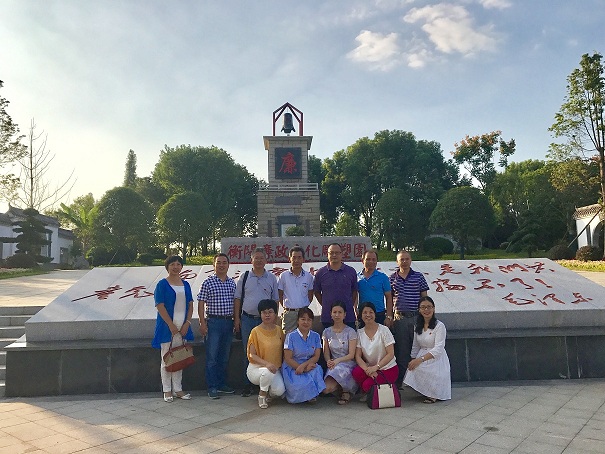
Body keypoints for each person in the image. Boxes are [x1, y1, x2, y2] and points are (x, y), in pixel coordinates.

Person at [234, 248, 279, 397]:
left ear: (266, 260)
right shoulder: (245, 276)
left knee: (267, 351)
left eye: (261, 258)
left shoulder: (271, 278)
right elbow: (237, 298)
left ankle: (265, 384)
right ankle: (248, 384)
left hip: (265, 321)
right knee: (248, 353)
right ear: (251, 260)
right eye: (256, 258)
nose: (259, 261)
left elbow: (275, 301)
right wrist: (237, 319)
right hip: (247, 319)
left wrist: (274, 319)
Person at [152, 255, 194, 402]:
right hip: (167, 327)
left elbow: (190, 305)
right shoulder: (162, 284)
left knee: (179, 358)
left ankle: (178, 389)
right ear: (167, 267)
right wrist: (171, 325)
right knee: (167, 358)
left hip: (183, 327)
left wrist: (187, 323)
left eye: (178, 264)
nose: (175, 267)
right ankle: (167, 390)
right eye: (172, 264)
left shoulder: (186, 284)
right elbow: (160, 305)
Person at [197, 253, 236, 399]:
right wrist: (202, 322)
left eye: (224, 262)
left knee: (224, 356)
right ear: (213, 265)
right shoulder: (208, 282)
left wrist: (235, 320)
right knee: (212, 357)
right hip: (213, 323)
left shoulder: (232, 283)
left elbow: (235, 303)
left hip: (228, 322)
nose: (221, 265)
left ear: (228, 265)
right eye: (218, 262)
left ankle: (221, 384)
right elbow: (201, 303)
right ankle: (212, 386)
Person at [389, 250, 429, 386]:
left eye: (407, 259)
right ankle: (401, 382)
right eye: (402, 259)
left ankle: (419, 383)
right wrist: (390, 316)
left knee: (419, 350)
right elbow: (389, 299)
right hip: (400, 319)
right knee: (402, 351)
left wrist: (425, 317)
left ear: (411, 260)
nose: (404, 262)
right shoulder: (392, 278)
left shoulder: (418, 277)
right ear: (397, 262)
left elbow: (424, 298)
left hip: (417, 317)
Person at [403, 296, 451, 403]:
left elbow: (439, 348)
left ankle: (434, 394)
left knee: (429, 370)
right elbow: (415, 345)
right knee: (413, 369)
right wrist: (413, 359)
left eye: (429, 307)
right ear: (419, 310)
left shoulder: (439, 326)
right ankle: (424, 391)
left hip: (435, 357)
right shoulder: (418, 326)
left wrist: (420, 359)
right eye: (423, 307)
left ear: (433, 308)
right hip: (421, 354)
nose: (426, 310)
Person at [352, 302, 399, 400]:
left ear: (375, 314)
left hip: (387, 368)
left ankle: (373, 392)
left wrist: (376, 367)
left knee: (367, 385)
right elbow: (358, 356)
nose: (368, 315)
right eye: (365, 312)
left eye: (371, 312)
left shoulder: (384, 330)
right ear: (361, 315)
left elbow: (391, 354)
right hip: (371, 368)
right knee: (356, 372)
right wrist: (368, 370)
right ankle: (371, 392)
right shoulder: (359, 333)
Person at [246, 299, 286, 409]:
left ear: (275, 313)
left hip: (274, 369)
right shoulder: (255, 331)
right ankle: (262, 395)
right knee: (267, 372)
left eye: (270, 312)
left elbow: (284, 349)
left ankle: (268, 392)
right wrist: (266, 364)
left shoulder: (279, 330)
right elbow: (252, 355)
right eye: (264, 312)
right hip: (256, 368)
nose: (267, 315)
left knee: (279, 391)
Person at [281, 307, 326, 403]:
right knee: (299, 385)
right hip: (293, 367)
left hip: (309, 364)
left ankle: (311, 395)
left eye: (309, 320)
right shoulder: (290, 336)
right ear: (298, 321)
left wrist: (304, 366)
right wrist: (300, 368)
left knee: (317, 370)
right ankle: (306, 395)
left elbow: (316, 356)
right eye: (303, 319)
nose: (306, 322)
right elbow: (288, 358)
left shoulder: (316, 336)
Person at [313, 243, 358, 329]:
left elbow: (354, 291)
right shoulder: (320, 273)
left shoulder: (351, 271)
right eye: (331, 253)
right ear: (327, 255)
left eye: (337, 253)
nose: (334, 255)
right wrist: (326, 305)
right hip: (328, 317)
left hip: (348, 317)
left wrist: (348, 305)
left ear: (342, 254)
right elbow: (317, 292)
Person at [321, 302, 358, 405]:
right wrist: (328, 361)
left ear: (344, 314)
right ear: (331, 314)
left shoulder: (351, 332)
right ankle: (341, 389)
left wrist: (337, 361)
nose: (337, 315)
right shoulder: (326, 332)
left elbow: (351, 355)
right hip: (333, 364)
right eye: (335, 312)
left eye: (340, 312)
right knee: (326, 389)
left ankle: (346, 391)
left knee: (333, 382)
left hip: (347, 363)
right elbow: (326, 352)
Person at [278, 246, 314, 334]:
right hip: (289, 314)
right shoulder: (283, 276)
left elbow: (310, 295)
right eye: (294, 257)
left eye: (299, 257)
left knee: (305, 337)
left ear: (303, 259)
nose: (296, 260)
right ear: (289, 259)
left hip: (304, 313)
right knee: (288, 338)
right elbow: (280, 295)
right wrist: (288, 307)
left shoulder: (308, 277)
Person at [357, 249, 393, 328]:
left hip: (379, 314)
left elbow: (389, 297)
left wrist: (389, 316)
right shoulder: (357, 277)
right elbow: (354, 296)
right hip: (363, 315)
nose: (371, 262)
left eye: (374, 259)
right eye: (368, 259)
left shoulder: (383, 277)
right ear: (362, 261)